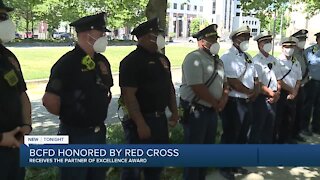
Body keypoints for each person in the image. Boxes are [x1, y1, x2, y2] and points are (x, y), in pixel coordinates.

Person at [42, 12, 113, 180]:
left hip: (98, 133)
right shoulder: (67, 63)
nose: (104, 36)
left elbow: (105, 90)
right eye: (100, 32)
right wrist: (71, 115)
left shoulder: (102, 61)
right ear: (86, 34)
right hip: (75, 135)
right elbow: (49, 100)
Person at [119, 18, 179, 180]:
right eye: (155, 34)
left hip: (160, 120)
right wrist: (140, 124)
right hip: (141, 121)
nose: (159, 37)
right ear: (143, 37)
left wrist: (174, 111)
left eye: (159, 34)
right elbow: (129, 96)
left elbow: (169, 88)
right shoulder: (131, 62)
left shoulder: (162, 59)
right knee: (134, 168)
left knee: (156, 166)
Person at [179, 24, 228, 180]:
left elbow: (225, 84)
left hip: (212, 111)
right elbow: (197, 87)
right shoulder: (194, 58)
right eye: (211, 39)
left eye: (215, 38)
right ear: (201, 41)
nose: (215, 42)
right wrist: (215, 103)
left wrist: (223, 100)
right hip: (196, 111)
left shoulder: (218, 61)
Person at [219, 25, 259, 180]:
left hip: (247, 101)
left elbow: (255, 77)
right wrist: (250, 92)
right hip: (234, 102)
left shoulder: (248, 56)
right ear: (235, 39)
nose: (245, 40)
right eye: (242, 37)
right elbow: (232, 81)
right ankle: (225, 167)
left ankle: (236, 164)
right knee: (231, 135)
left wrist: (255, 91)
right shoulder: (227, 57)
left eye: (247, 38)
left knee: (242, 135)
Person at [0, 0, 32, 179]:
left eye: (6, 16)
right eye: (1, 17)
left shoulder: (8, 56)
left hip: (16, 144)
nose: (7, 22)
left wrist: (26, 127)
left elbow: (22, 94)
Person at [249, 32, 281, 144]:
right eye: (265, 42)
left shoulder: (274, 60)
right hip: (261, 99)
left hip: (274, 98)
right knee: (258, 126)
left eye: (269, 41)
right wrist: (271, 93)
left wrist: (277, 93)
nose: (268, 44)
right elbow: (258, 83)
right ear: (259, 45)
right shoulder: (256, 61)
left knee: (269, 127)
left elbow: (278, 78)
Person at [275, 37, 302, 144]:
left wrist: (295, 92)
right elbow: (279, 80)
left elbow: (299, 79)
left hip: (293, 94)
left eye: (292, 47)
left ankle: (286, 139)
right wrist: (291, 90)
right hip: (282, 93)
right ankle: (275, 141)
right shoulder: (277, 61)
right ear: (282, 48)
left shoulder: (296, 62)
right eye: (287, 46)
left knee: (290, 118)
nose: (289, 49)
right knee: (279, 119)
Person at [291, 29, 310, 141]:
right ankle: (290, 134)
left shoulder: (303, 53)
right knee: (292, 113)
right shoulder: (293, 53)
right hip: (293, 87)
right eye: (301, 39)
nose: (303, 41)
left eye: (304, 39)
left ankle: (296, 133)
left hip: (302, 86)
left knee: (299, 111)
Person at [303, 32, 320, 135]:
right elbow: (309, 63)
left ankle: (316, 127)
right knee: (308, 105)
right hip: (312, 81)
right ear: (317, 39)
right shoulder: (311, 51)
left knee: (319, 106)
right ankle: (304, 127)